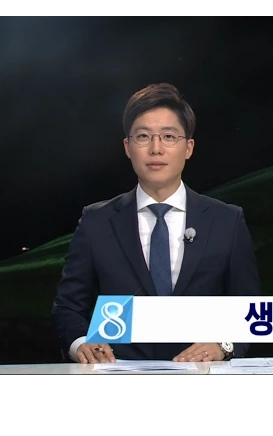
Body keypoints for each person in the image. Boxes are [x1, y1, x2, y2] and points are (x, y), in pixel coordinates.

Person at [51, 83, 261, 364]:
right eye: (143, 136)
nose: (156, 148)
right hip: (117, 368)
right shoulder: (96, 221)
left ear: (188, 148)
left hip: (201, 370)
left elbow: (248, 308)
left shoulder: (227, 221)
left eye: (169, 136)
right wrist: (80, 343)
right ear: (127, 147)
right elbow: (68, 307)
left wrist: (223, 346)